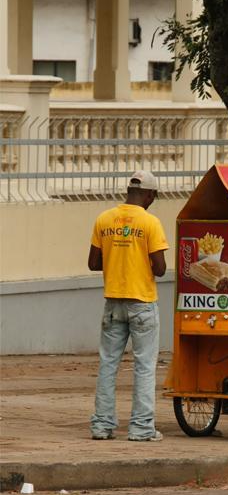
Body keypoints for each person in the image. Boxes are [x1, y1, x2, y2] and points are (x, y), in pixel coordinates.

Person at [88, 171, 169, 441]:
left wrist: (117, 257)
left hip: (112, 302)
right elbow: (159, 269)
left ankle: (101, 425)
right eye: (153, 197)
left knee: (108, 364)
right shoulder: (150, 223)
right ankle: (141, 428)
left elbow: (93, 263)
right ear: (149, 195)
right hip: (142, 303)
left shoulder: (104, 219)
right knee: (144, 366)